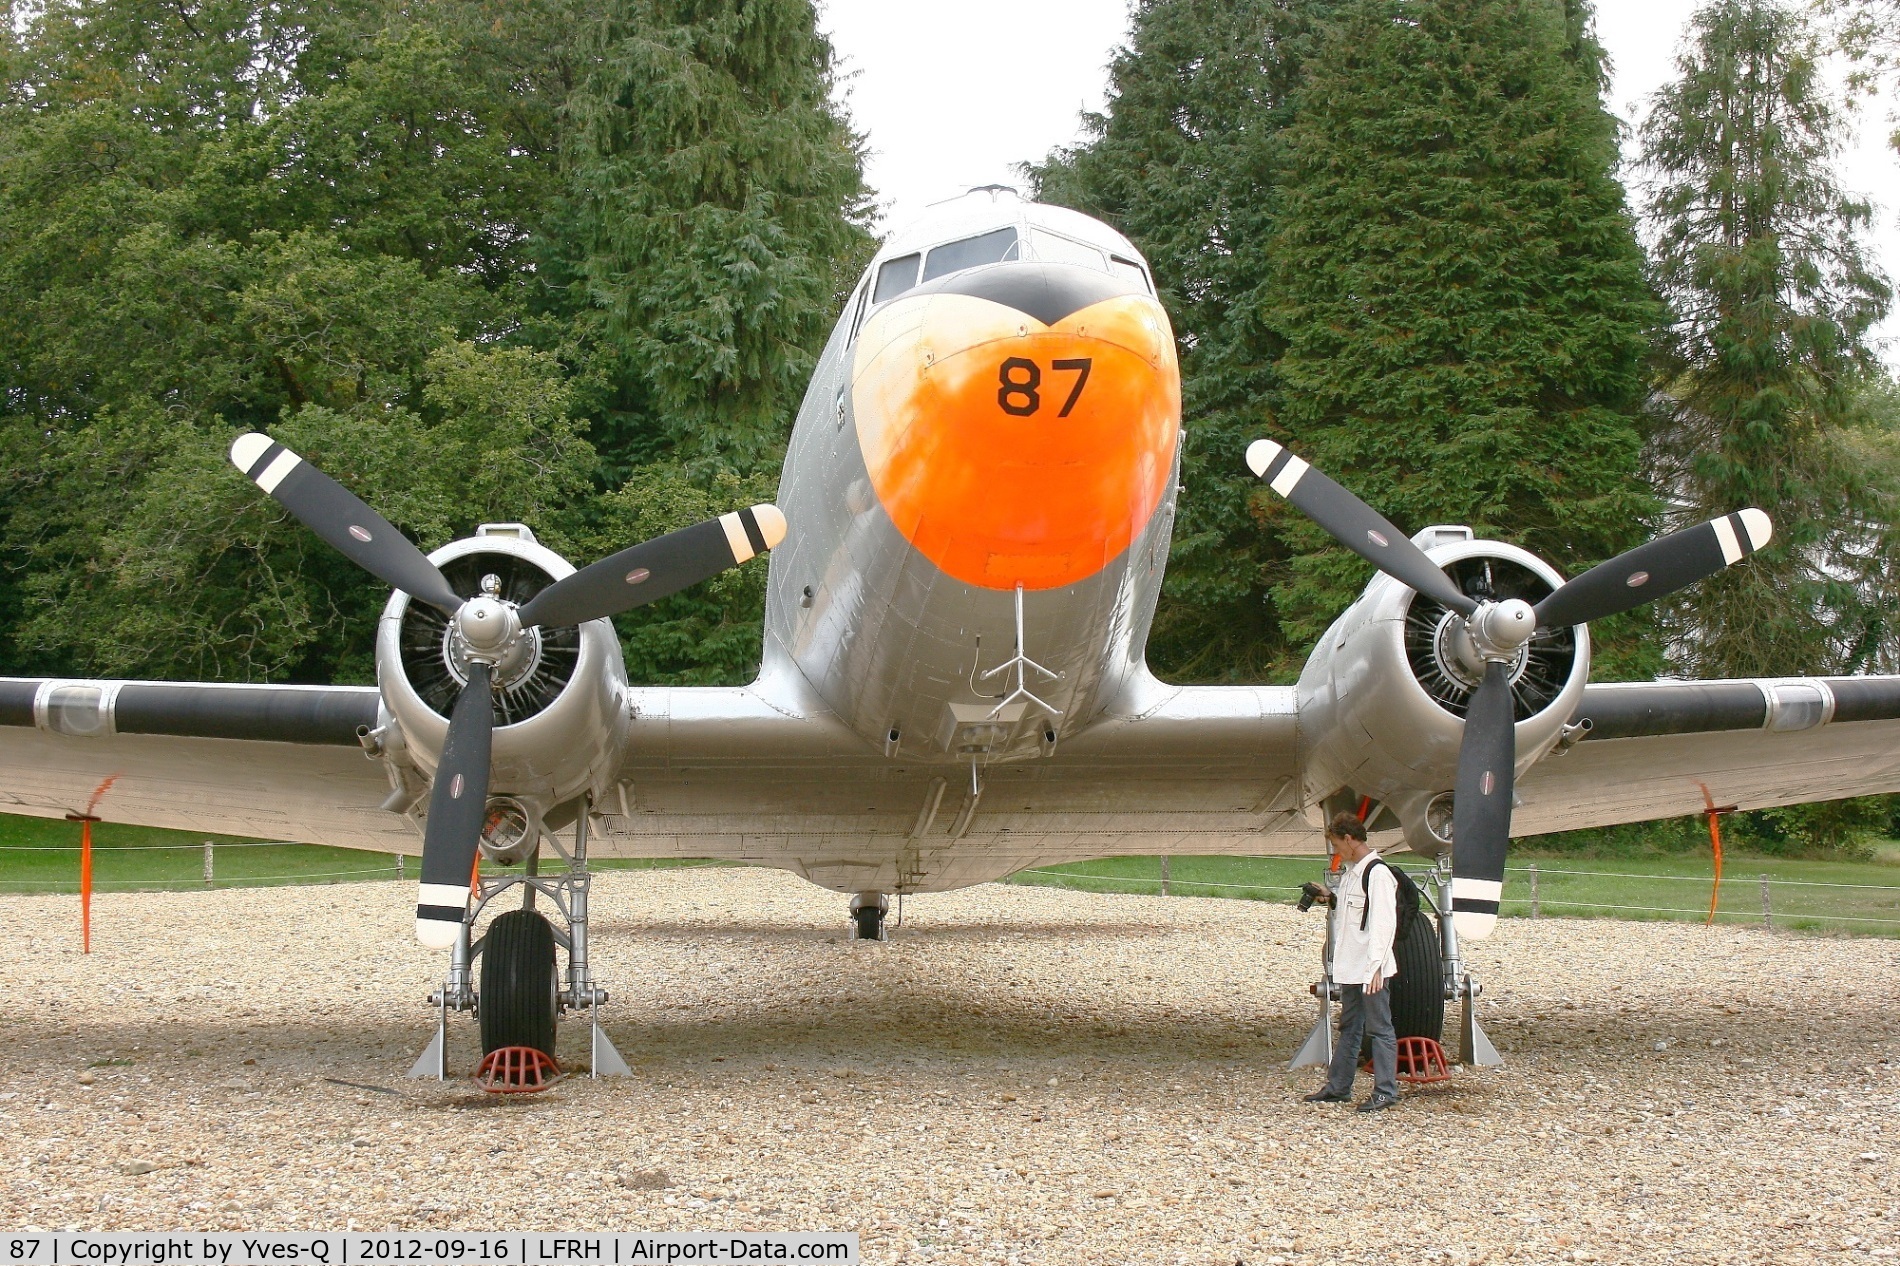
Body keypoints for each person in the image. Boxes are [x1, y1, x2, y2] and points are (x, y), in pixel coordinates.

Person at [1301, 812, 1401, 1112]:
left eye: (1336, 845)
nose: (1336, 852)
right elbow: (1353, 914)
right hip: (1353, 967)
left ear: (1349, 839)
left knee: (1380, 1028)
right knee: (1351, 1025)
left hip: (1370, 969)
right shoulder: (1353, 872)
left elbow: (1385, 924)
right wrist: (1328, 897)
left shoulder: (1377, 874)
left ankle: (1386, 1090)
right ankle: (1339, 1086)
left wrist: (1376, 967)